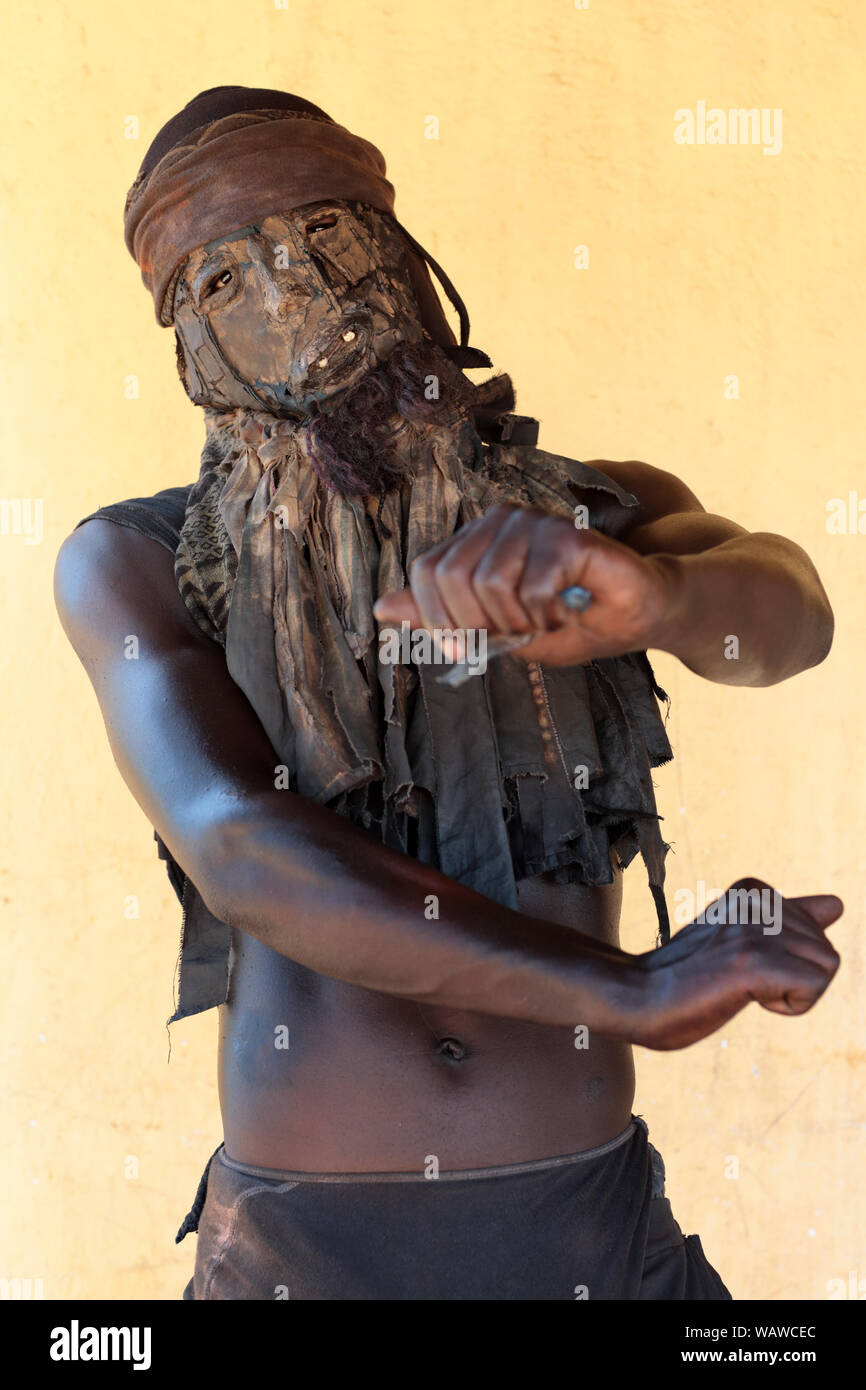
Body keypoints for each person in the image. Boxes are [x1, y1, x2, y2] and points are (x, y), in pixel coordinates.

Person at [53, 86, 842, 1301]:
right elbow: (241, 847)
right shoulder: (140, 562)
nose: (294, 297)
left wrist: (657, 598)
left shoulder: (588, 514)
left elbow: (790, 617)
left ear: (409, 261)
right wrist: (631, 990)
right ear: (185, 349)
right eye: (220, 282)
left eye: (322, 235)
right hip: (304, 1258)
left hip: (595, 1226)